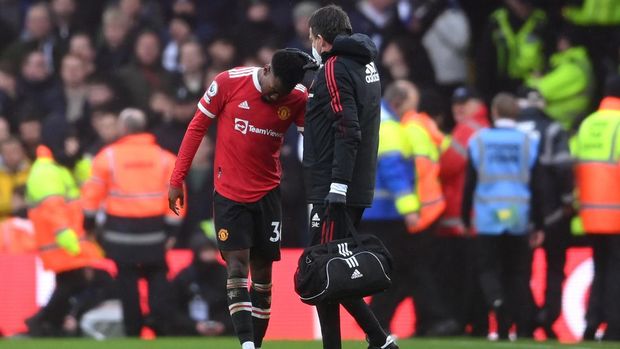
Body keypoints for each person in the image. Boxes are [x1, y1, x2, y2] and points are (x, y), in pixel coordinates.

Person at [168, 49, 313, 349]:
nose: (275, 99)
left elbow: (310, 147)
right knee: (236, 267)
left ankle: (255, 345)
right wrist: (176, 179)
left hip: (268, 195)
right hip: (229, 195)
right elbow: (196, 127)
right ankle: (246, 344)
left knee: (262, 275)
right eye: (274, 91)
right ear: (267, 69)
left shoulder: (298, 97)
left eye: (281, 95)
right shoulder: (227, 82)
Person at [303, 5, 397, 349]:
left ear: (321, 39)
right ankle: (379, 339)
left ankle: (376, 339)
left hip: (334, 185)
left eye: (312, 37)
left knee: (322, 269)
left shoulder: (334, 68)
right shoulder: (366, 64)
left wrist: (336, 187)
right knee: (330, 266)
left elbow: (347, 129)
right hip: (355, 181)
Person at [81, 108, 181, 336]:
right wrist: (173, 230)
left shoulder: (107, 156)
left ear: (123, 128)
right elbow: (177, 195)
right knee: (157, 275)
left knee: (127, 280)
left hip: (119, 231)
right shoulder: (164, 158)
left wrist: (88, 225)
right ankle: (159, 325)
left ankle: (133, 328)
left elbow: (92, 195)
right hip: (154, 230)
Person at [462, 93, 544, 339]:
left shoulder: (479, 140)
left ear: (494, 112)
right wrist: (539, 223)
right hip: (518, 214)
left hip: (488, 215)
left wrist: (466, 218)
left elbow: (470, 183)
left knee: (488, 269)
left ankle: (497, 305)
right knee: (517, 272)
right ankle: (519, 324)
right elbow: (537, 185)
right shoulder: (528, 141)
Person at [24, 133, 102, 336]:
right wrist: (65, 235)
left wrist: (79, 162)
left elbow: (88, 183)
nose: (73, 145)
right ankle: (41, 321)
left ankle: (50, 323)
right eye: (70, 141)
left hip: (66, 238)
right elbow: (53, 208)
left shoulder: (60, 167)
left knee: (69, 283)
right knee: (75, 282)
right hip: (61, 240)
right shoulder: (46, 171)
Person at [515, 88, 574, 338]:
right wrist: (567, 201)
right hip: (553, 212)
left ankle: (525, 320)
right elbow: (563, 169)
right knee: (554, 267)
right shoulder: (553, 129)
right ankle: (549, 317)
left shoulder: (510, 130)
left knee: (519, 270)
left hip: (517, 210)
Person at [437, 86, 490, 335]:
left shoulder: (468, 130)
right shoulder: (486, 129)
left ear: (478, 104)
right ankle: (479, 324)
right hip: (479, 218)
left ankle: (462, 322)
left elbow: (446, 167)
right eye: (455, 103)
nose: (458, 107)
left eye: (465, 102)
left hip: (461, 220)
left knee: (461, 278)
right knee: (478, 277)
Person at [572, 75, 620, 341]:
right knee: (615, 271)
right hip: (616, 212)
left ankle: (592, 324)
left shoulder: (588, 123)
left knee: (600, 268)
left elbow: (575, 163)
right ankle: (614, 326)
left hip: (590, 212)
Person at [526, 27, 594, 131]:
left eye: (561, 41)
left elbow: (541, 89)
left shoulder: (573, 68)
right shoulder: (575, 64)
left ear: (567, 42)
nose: (558, 44)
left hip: (562, 125)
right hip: (560, 123)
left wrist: (532, 79)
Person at [166, 233, 233, 336]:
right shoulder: (185, 276)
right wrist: (194, 325)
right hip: (189, 329)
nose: (209, 254)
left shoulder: (226, 275)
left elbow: (237, 304)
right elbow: (172, 308)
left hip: (223, 327)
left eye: (211, 250)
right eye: (205, 251)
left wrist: (223, 324)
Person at [0, 137, 30, 221]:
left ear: (23, 152)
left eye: (14, 151)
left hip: (29, 223)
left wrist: (26, 204)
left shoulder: (33, 172)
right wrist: (11, 205)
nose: (10, 155)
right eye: (6, 152)